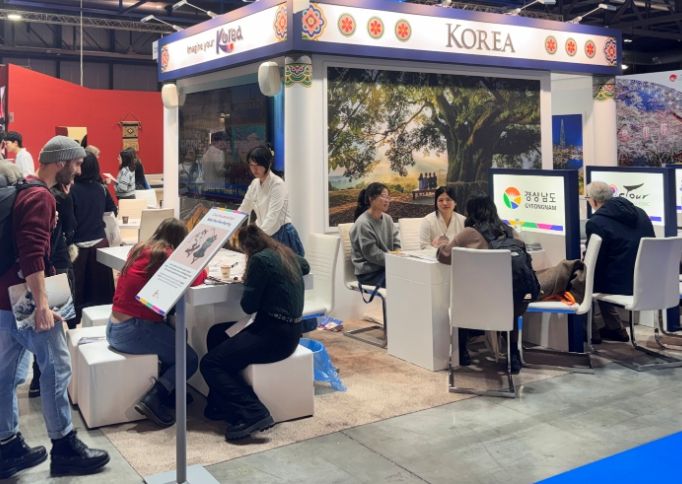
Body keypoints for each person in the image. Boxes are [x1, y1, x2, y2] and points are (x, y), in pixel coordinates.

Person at [0, 136, 109, 479]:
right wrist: (43, 305)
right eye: (75, 163)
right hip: (28, 296)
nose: (78, 170)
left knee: (5, 373)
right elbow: (32, 253)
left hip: (6, 294)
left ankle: (6, 446)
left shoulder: (24, 187)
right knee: (58, 368)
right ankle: (64, 447)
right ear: (60, 162)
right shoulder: (41, 197)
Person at [200, 225, 310, 441]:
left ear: (247, 248)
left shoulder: (259, 260)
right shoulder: (284, 253)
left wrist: (251, 280)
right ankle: (220, 403)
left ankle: (253, 412)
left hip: (273, 335)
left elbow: (248, 306)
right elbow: (305, 265)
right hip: (288, 330)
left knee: (210, 364)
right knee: (216, 334)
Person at [107, 218, 206, 427]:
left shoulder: (139, 249)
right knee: (189, 359)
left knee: (178, 335)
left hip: (115, 326)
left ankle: (170, 390)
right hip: (134, 330)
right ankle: (154, 398)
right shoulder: (165, 255)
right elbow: (197, 277)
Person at [436, 193, 525, 373]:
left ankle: (463, 351)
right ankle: (513, 353)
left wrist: (440, 244)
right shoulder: (509, 231)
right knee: (509, 301)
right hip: (508, 303)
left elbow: (445, 256)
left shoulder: (469, 233)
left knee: (460, 295)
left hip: (473, 304)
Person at [585, 181, 655, 343]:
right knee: (603, 274)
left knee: (582, 279)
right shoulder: (641, 213)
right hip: (646, 281)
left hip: (622, 285)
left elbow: (596, 263)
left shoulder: (596, 222)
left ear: (593, 201)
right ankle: (615, 328)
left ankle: (589, 332)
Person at [70, 153, 117, 324]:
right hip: (100, 244)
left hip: (78, 248)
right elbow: (112, 210)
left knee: (78, 292)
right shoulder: (101, 189)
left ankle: (76, 325)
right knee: (101, 292)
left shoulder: (71, 190)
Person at [238, 145, 305, 256]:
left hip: (281, 235)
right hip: (262, 234)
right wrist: (230, 225)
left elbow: (272, 217)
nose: (254, 169)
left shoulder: (277, 184)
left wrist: (256, 238)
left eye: (258, 165)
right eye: (251, 165)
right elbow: (244, 209)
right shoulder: (254, 184)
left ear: (268, 164)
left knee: (283, 266)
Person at [349, 182, 401, 288]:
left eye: (388, 197)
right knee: (403, 281)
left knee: (411, 276)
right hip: (368, 273)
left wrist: (398, 256)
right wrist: (394, 261)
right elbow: (372, 254)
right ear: (371, 198)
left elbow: (396, 242)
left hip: (386, 267)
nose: (387, 200)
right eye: (383, 196)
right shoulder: (363, 223)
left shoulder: (388, 219)